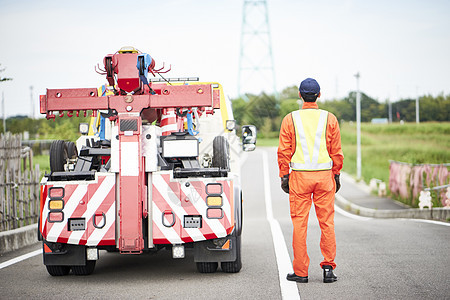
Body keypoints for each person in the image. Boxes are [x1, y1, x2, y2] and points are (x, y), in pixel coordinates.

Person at [277, 78, 344, 283]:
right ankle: (328, 269)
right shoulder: (329, 118)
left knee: (300, 224)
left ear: (300, 95)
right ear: (319, 95)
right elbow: (337, 151)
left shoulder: (291, 119)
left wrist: (284, 176)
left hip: (299, 178)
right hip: (325, 177)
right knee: (327, 223)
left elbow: (283, 152)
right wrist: (337, 173)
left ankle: (301, 272)